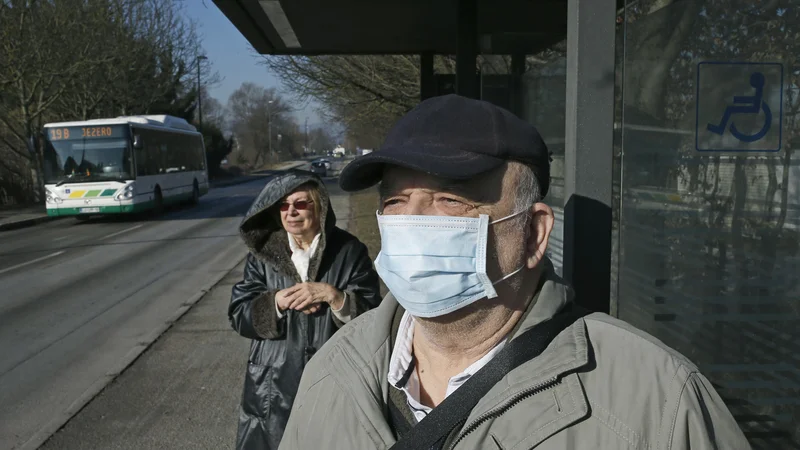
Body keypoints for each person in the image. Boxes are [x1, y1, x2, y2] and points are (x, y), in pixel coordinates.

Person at [277, 95, 750, 450]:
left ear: (533, 234)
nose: (411, 224)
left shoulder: (656, 401)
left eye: (451, 200)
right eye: (395, 202)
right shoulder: (333, 372)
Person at [228, 170, 381, 450]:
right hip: (273, 386)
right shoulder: (262, 258)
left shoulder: (348, 251)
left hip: (334, 376)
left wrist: (334, 296)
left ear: (320, 205)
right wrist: (276, 302)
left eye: (301, 203)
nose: (291, 212)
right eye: (284, 206)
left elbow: (375, 316)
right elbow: (239, 314)